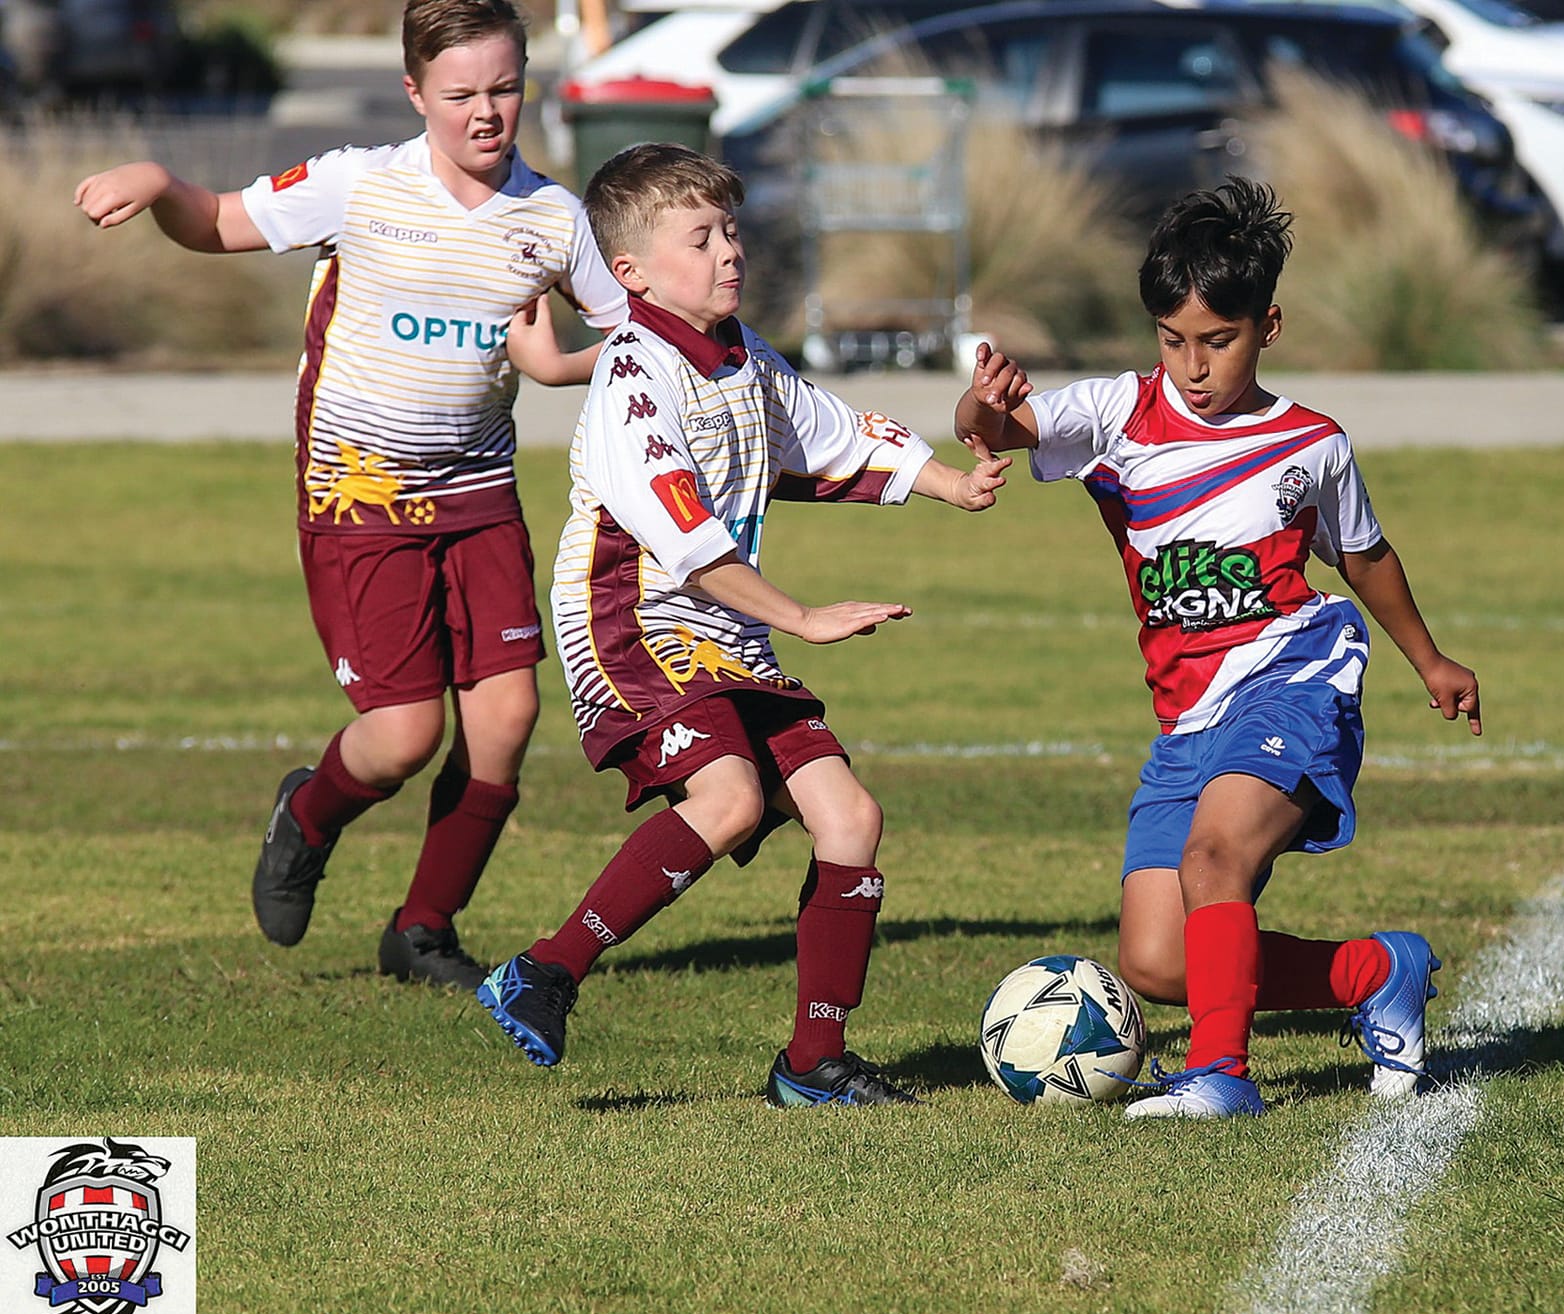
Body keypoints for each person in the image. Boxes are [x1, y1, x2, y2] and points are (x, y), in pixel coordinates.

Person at [73, 0, 627, 990]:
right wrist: (158, 181)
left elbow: (634, 344)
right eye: (460, 95)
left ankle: (421, 931)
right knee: (404, 736)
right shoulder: (359, 185)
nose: (486, 113)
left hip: (478, 492)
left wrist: (560, 367)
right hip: (358, 494)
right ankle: (309, 813)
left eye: (505, 87)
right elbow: (215, 223)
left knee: (503, 721)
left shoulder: (551, 219)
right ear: (415, 94)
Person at [477, 142, 1009, 1108]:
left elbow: (827, 434)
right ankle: (546, 969)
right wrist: (801, 616)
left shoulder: (740, 354)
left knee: (851, 816)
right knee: (724, 800)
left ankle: (814, 1062)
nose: (730, 251)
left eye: (732, 230)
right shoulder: (635, 382)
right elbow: (686, 544)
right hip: (632, 618)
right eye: (702, 237)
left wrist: (953, 483)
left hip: (725, 623)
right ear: (631, 273)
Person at [953, 177, 1482, 1118]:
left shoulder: (1310, 445)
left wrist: (1431, 661)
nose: (1192, 365)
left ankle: (1222, 1077)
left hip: (1296, 679)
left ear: (1267, 326)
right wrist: (982, 407)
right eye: (1172, 340)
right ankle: (1375, 971)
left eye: (1217, 341)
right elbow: (997, 429)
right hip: (1185, 717)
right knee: (1157, 960)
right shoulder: (1118, 414)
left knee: (1214, 859)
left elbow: (1364, 556)